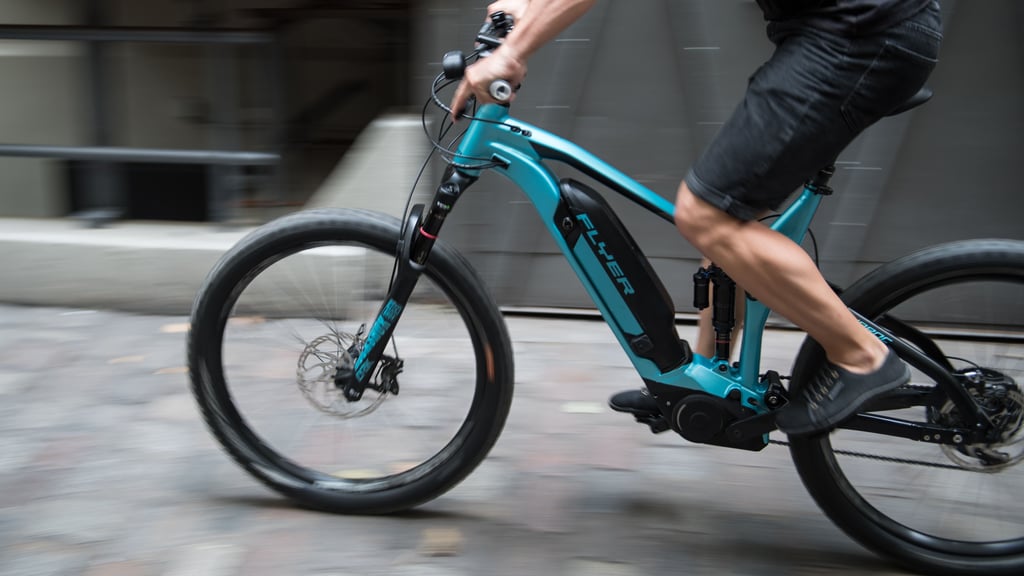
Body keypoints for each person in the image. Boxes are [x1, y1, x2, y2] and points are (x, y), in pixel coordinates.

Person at [451, 0, 942, 436]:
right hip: (836, 34)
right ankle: (701, 380)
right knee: (723, 202)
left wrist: (512, 53)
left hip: (859, 35)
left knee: (705, 213)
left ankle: (863, 358)